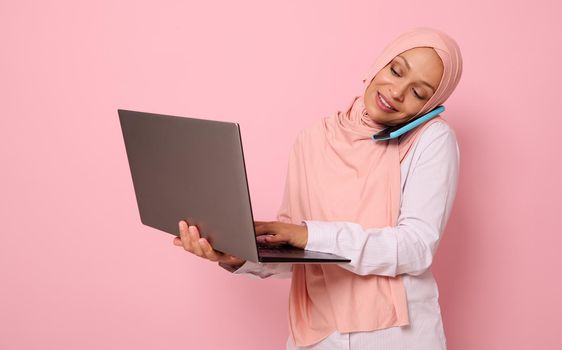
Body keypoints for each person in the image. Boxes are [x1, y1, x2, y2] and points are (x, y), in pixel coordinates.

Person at [173, 26, 463, 350]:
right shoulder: (313, 139)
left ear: (431, 105)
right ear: (379, 64)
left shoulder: (432, 140)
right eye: (396, 71)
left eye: (419, 93)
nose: (397, 92)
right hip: (317, 337)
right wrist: (235, 255)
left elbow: (416, 248)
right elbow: (298, 257)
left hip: (397, 336)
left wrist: (309, 234)